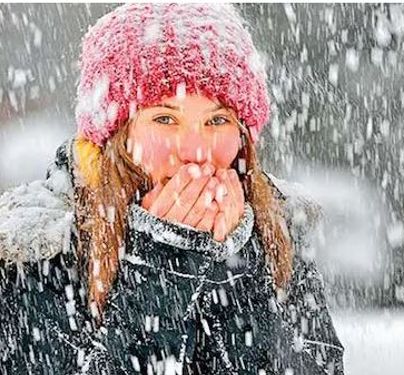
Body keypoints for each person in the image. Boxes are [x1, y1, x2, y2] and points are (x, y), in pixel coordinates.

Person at [0, 4, 344, 374]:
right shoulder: (33, 251)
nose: (196, 151)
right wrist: (163, 266)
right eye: (165, 119)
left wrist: (234, 264)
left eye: (217, 120)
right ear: (115, 136)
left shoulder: (276, 229)